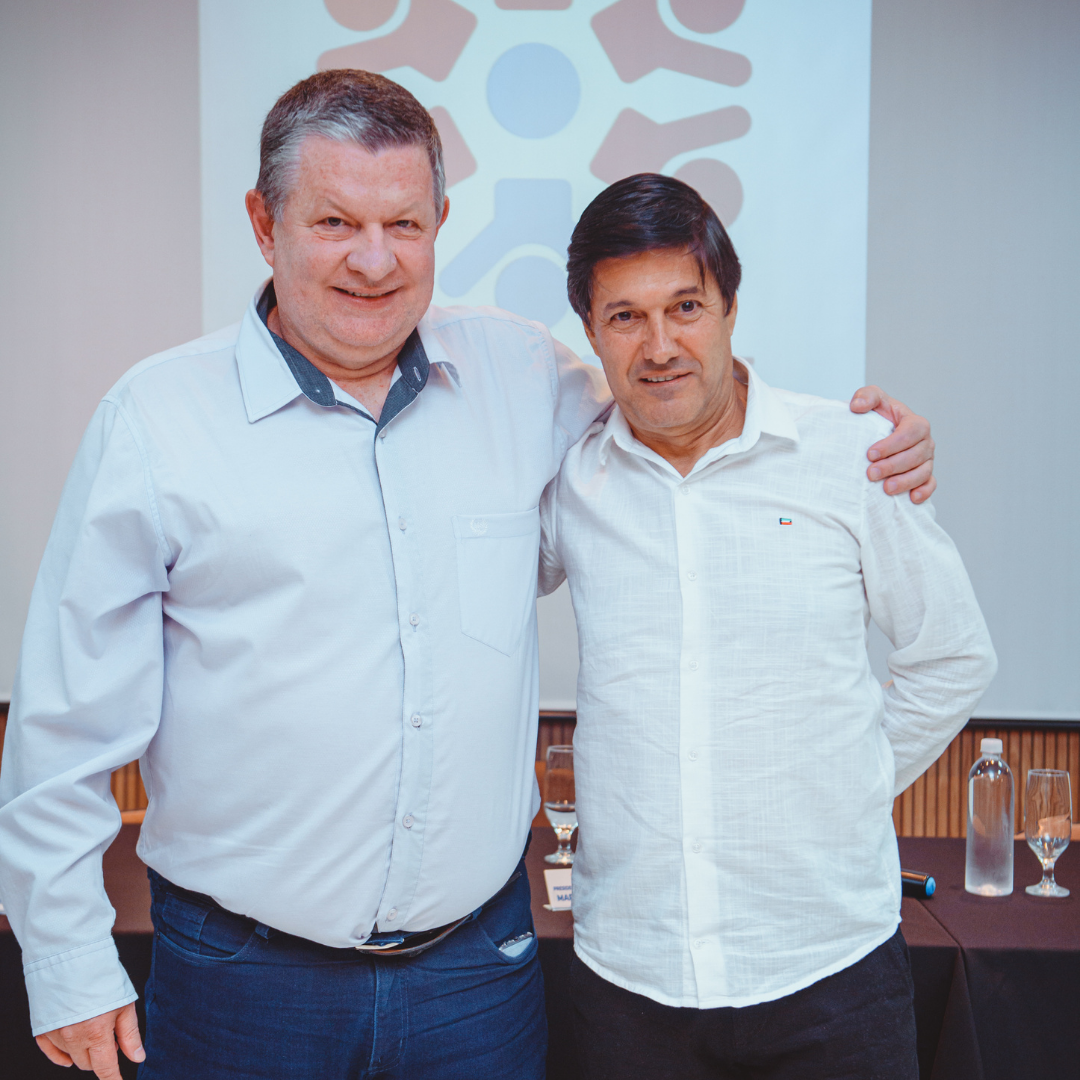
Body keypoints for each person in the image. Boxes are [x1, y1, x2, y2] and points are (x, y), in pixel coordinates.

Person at [0, 73, 935, 1080]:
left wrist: (852, 443)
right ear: (264, 225)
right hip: (242, 983)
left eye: (404, 223)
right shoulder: (156, 422)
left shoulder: (523, 377)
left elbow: (681, 400)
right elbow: (67, 719)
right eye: (334, 221)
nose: (374, 260)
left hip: (476, 983)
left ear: (440, 223)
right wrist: (64, 958)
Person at [536, 173, 996, 1080]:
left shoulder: (852, 458)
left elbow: (951, 656)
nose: (659, 346)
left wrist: (848, 781)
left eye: (686, 307)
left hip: (829, 970)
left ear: (730, 309)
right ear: (590, 332)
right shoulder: (570, 480)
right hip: (628, 976)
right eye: (625, 317)